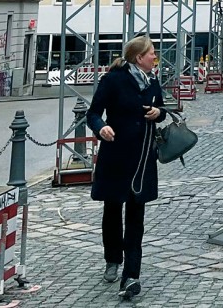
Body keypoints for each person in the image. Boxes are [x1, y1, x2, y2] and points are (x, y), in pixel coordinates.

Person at [85, 35, 167, 300]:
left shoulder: (153, 81)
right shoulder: (113, 80)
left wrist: (159, 113)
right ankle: (112, 258)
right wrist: (102, 128)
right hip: (116, 156)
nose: (156, 57)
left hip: (143, 160)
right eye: (152, 53)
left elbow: (162, 108)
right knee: (112, 211)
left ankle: (131, 275)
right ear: (138, 57)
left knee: (136, 217)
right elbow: (93, 113)